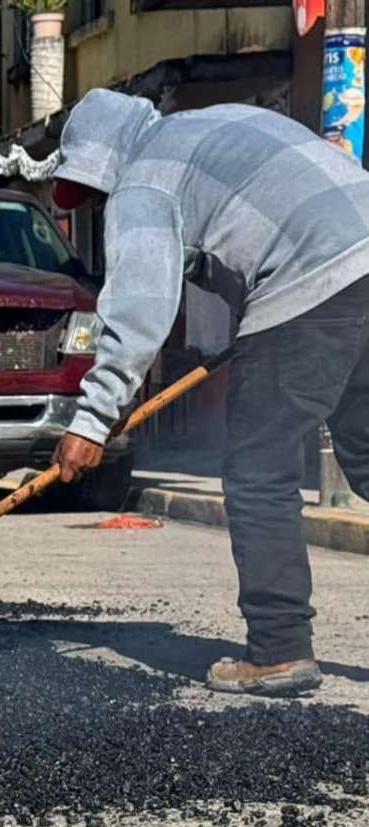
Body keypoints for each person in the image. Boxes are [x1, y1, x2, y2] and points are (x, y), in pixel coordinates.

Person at [47, 89, 369, 696]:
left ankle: (278, 649)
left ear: (102, 159)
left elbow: (138, 313)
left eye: (92, 188)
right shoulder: (219, 120)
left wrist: (91, 421)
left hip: (313, 280)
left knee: (258, 470)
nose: (98, 200)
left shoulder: (144, 180)